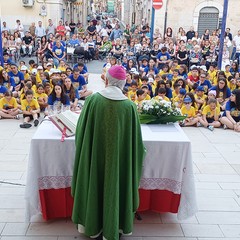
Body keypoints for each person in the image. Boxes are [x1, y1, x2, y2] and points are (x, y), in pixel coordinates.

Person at [71, 65, 145, 240]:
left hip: (95, 158)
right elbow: (136, 143)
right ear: (123, 82)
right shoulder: (129, 106)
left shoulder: (93, 101)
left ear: (106, 80)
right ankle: (116, 225)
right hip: (119, 162)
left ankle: (92, 225)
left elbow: (81, 131)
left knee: (94, 181)